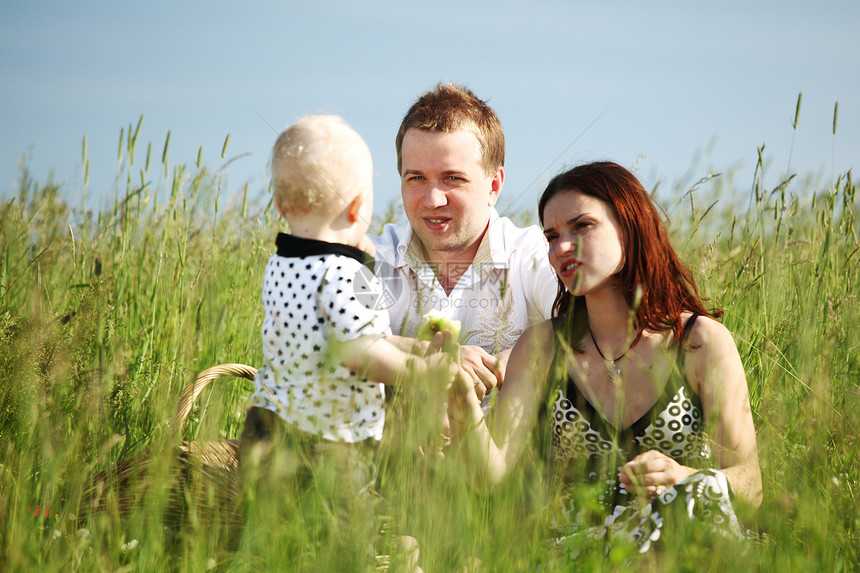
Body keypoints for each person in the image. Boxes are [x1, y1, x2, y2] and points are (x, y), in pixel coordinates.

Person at [447, 161, 762, 558]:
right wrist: (461, 399)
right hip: (576, 554)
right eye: (551, 236)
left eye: (582, 226)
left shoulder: (699, 343)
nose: (561, 247)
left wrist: (685, 478)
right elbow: (488, 477)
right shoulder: (543, 347)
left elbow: (751, 486)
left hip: (682, 549)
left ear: (630, 226)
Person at [237, 114, 461, 568]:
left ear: (280, 205)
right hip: (327, 446)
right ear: (359, 208)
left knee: (272, 546)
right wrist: (427, 372)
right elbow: (360, 353)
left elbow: (343, 337)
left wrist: (412, 347)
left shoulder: (280, 264)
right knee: (342, 548)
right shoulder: (348, 272)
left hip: (265, 430)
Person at [373, 82, 558, 395]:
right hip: (387, 445)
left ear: (494, 185)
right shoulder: (375, 256)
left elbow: (583, 321)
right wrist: (441, 361)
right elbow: (332, 338)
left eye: (452, 178)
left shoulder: (529, 253)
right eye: (416, 178)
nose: (432, 200)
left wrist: (493, 369)